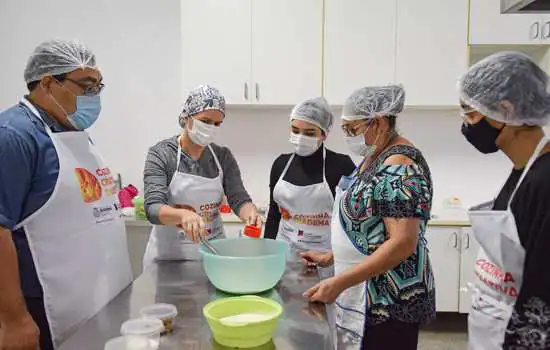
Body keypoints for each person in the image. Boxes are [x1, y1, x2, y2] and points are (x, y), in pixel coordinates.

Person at [0, 39, 132, 350]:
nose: (95, 96)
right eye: (87, 86)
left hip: (96, 304)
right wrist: (13, 319)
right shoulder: (15, 136)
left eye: (99, 86)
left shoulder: (73, 132)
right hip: (46, 310)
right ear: (47, 83)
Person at [301, 85, 436, 350]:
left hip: (388, 299)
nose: (350, 136)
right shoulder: (376, 155)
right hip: (365, 290)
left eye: (353, 128)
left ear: (380, 122)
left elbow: (402, 243)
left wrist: (339, 282)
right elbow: (370, 225)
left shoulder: (399, 165)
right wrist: (333, 256)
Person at [458, 52, 550, 350]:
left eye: (471, 114)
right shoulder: (521, 171)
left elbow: (542, 293)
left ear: (505, 109)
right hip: (491, 330)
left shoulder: (545, 182)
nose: (467, 126)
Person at [142, 85, 262, 267]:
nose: (211, 128)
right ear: (187, 118)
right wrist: (182, 215)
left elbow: (239, 198)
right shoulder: (162, 154)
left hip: (212, 255)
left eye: (217, 124)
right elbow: (152, 208)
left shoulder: (222, 157)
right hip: (169, 260)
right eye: (205, 121)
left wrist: (250, 214)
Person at [265, 96, 355, 280]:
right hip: (285, 257)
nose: (300, 138)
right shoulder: (280, 164)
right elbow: (274, 215)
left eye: (309, 133)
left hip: (325, 261)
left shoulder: (341, 166)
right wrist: (266, 255)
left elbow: (355, 221)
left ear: (324, 134)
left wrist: (337, 256)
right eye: (295, 130)